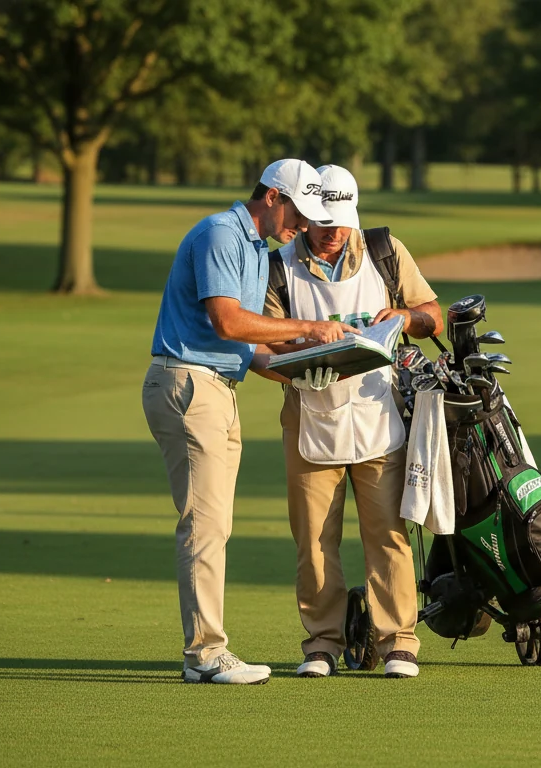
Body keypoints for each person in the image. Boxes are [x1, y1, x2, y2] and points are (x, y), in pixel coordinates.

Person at [143, 159, 360, 685]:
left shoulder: (256, 250)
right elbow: (227, 319)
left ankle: (205, 653)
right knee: (205, 525)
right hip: (190, 384)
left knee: (215, 523)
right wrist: (310, 328)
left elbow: (248, 346)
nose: (304, 226)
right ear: (270, 196)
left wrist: (304, 372)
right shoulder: (221, 232)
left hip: (216, 386)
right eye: (298, 212)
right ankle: (205, 654)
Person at [251, 164, 442, 679]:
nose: (333, 231)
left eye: (341, 221)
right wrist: (296, 370)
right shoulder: (279, 267)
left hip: (379, 414)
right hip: (311, 415)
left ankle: (399, 642)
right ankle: (321, 644)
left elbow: (433, 314)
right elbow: (261, 346)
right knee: (313, 540)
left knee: (388, 534)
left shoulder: (384, 250)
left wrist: (403, 318)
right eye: (323, 221)